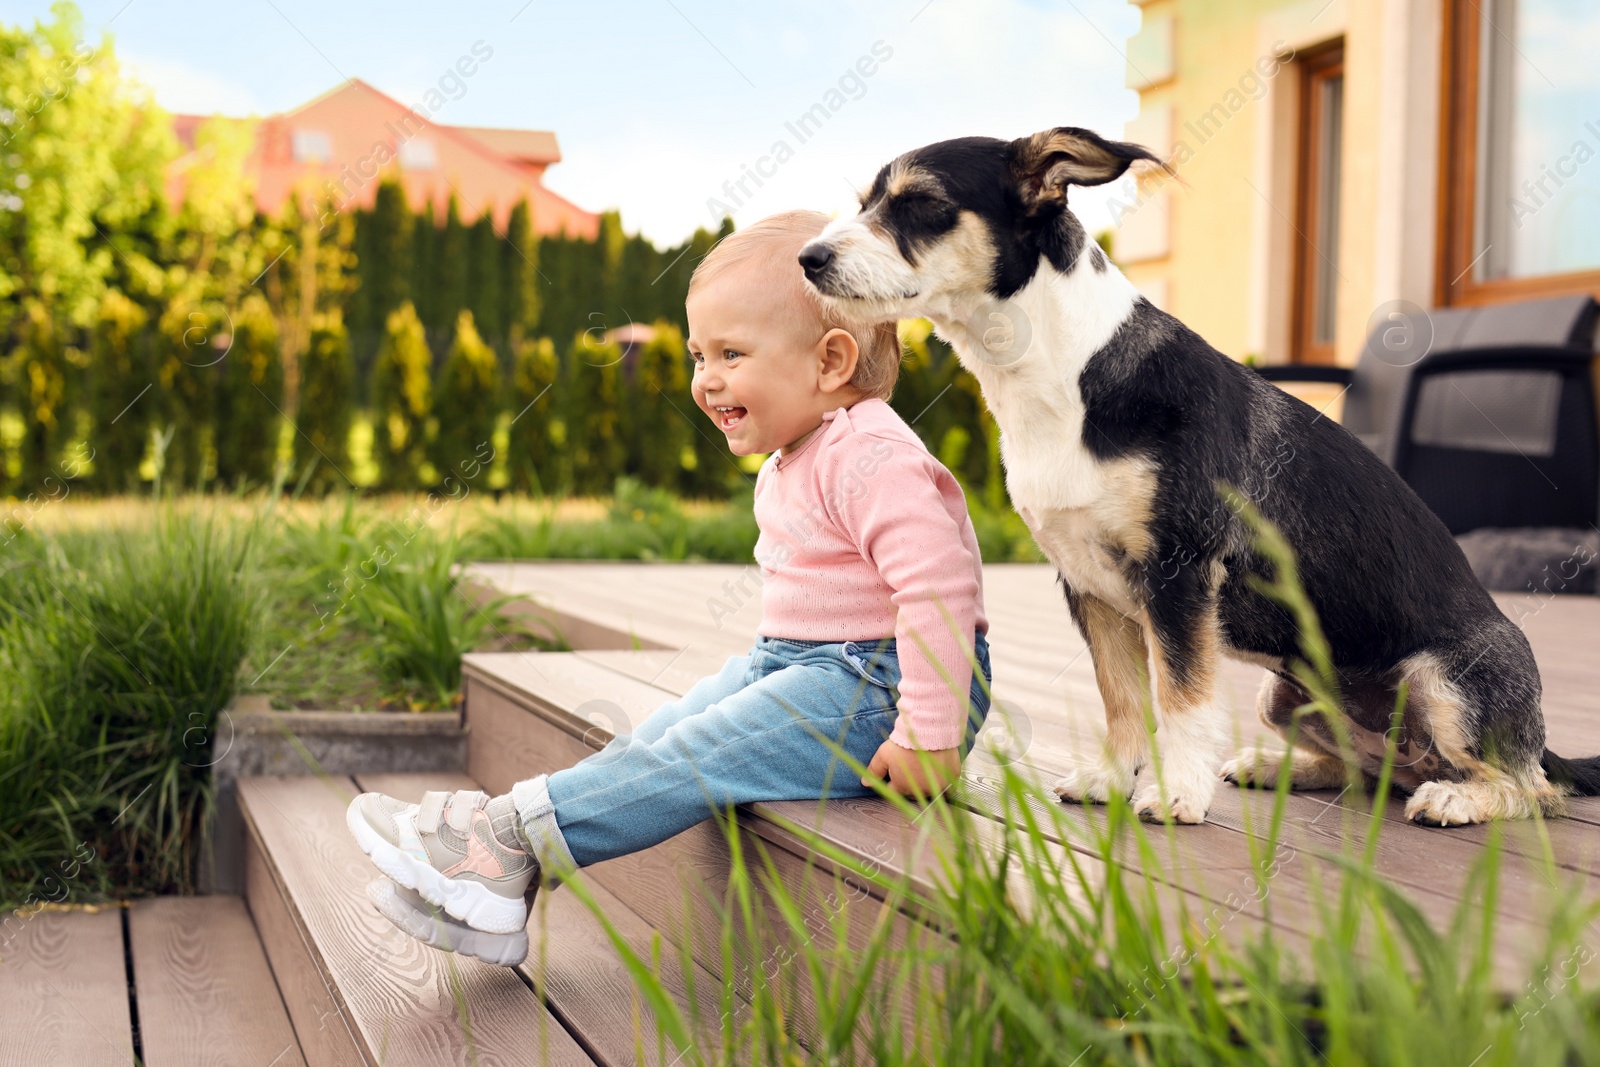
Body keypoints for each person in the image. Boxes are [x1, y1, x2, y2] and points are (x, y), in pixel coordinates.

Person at [346, 209, 993, 964]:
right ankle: (503, 860)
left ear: (830, 361)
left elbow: (937, 586)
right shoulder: (803, 450)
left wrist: (931, 728)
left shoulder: (871, 452)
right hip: (805, 663)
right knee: (662, 732)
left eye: (730, 352)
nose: (705, 377)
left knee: (693, 754)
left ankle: (507, 842)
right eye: (697, 354)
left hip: (878, 691)